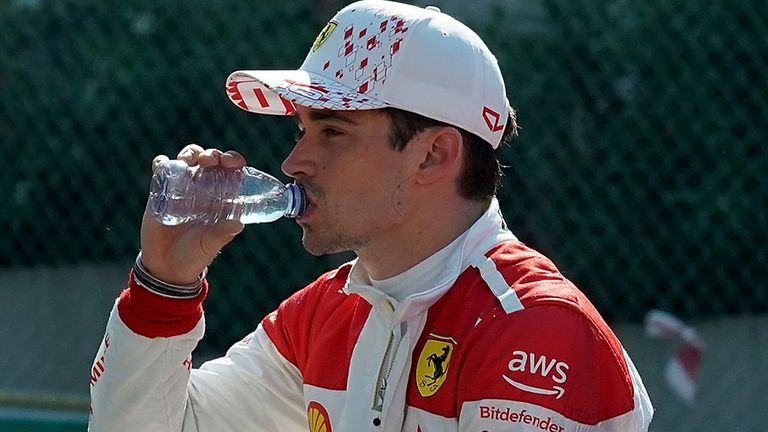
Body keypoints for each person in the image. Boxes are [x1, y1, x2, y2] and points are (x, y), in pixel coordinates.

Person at [89, 1, 653, 431]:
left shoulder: (534, 330)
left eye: (333, 131)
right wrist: (164, 284)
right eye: (301, 129)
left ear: (435, 154)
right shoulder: (326, 313)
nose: (293, 161)